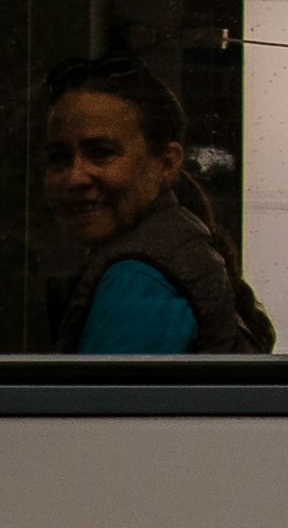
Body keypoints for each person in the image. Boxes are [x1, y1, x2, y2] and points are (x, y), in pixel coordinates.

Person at [34, 64, 270, 356]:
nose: (75, 177)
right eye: (59, 158)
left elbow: (102, 402)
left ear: (168, 163)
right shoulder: (174, 244)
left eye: (102, 153)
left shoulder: (137, 283)